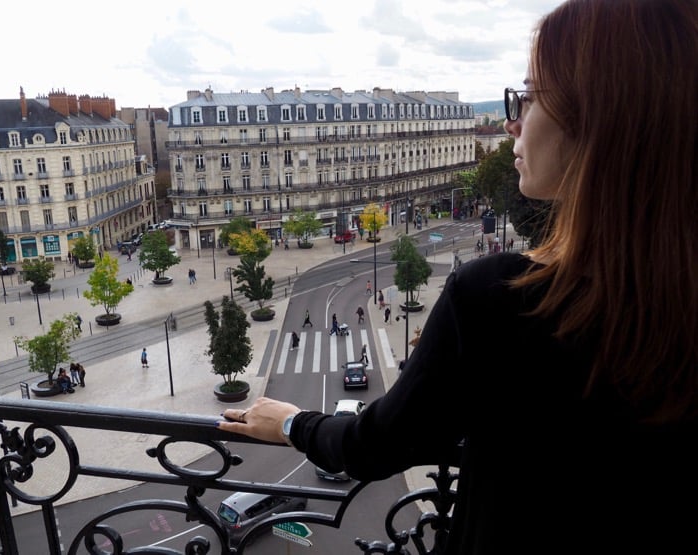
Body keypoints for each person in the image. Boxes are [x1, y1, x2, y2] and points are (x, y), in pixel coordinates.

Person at [220, 2, 698, 552]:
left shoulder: (501, 298)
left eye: (529, 96)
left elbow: (375, 445)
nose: (513, 122)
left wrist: (291, 423)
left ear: (594, 120)